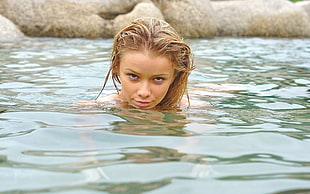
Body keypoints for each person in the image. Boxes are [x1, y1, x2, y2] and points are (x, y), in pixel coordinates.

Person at [78, 17, 195, 110]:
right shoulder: (95, 108)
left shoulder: (190, 109)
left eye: (158, 79)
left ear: (174, 76)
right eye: (133, 76)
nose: (144, 93)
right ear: (116, 68)